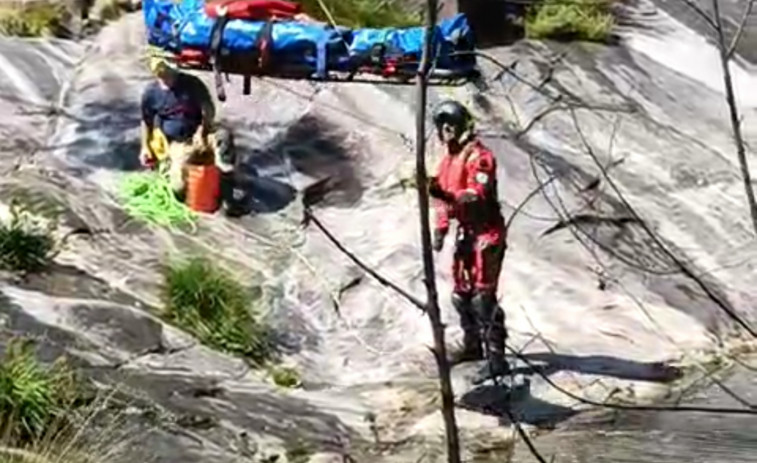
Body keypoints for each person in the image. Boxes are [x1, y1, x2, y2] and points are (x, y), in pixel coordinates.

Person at [428, 99, 510, 382]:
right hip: (465, 232)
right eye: (442, 125)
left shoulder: (479, 157)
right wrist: (440, 229)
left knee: (481, 297)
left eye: (451, 124)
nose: (447, 130)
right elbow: (440, 199)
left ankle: (497, 358)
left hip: (487, 231)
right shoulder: (447, 161)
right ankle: (472, 345)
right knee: (460, 295)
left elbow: (477, 193)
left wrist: (448, 197)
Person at [139, 56, 217, 198]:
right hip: (176, 144)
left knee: (223, 141)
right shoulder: (151, 93)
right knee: (178, 188)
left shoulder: (192, 84)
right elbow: (146, 121)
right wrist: (145, 147)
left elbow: (209, 109)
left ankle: (228, 185)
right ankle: (173, 170)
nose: (166, 78)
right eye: (161, 74)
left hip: (200, 133)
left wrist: (201, 132)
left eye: (168, 73)